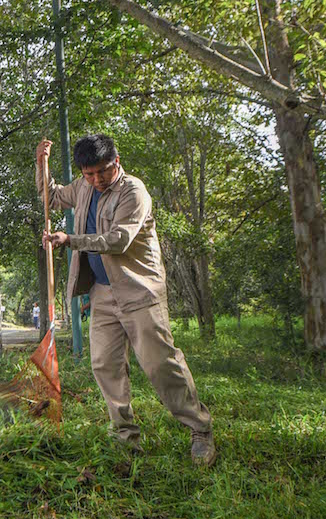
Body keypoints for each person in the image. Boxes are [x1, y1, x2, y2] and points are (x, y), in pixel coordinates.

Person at [37, 135, 216, 466]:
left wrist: (71, 239)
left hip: (139, 292)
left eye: (102, 172)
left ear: (116, 162)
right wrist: (40, 164)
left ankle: (200, 429)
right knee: (105, 364)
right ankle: (125, 436)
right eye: (88, 174)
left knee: (160, 365)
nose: (96, 180)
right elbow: (51, 197)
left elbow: (118, 240)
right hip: (102, 294)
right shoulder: (82, 187)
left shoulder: (134, 191)